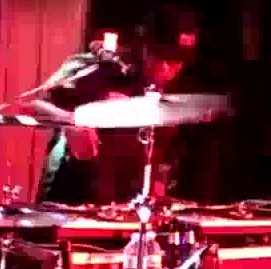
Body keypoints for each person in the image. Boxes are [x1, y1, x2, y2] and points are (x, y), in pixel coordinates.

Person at [31, 26, 195, 204]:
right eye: (157, 57)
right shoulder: (101, 65)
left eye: (174, 62)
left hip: (123, 201)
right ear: (144, 47)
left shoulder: (177, 91)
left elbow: (163, 156)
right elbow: (34, 104)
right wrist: (71, 123)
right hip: (72, 193)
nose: (164, 68)